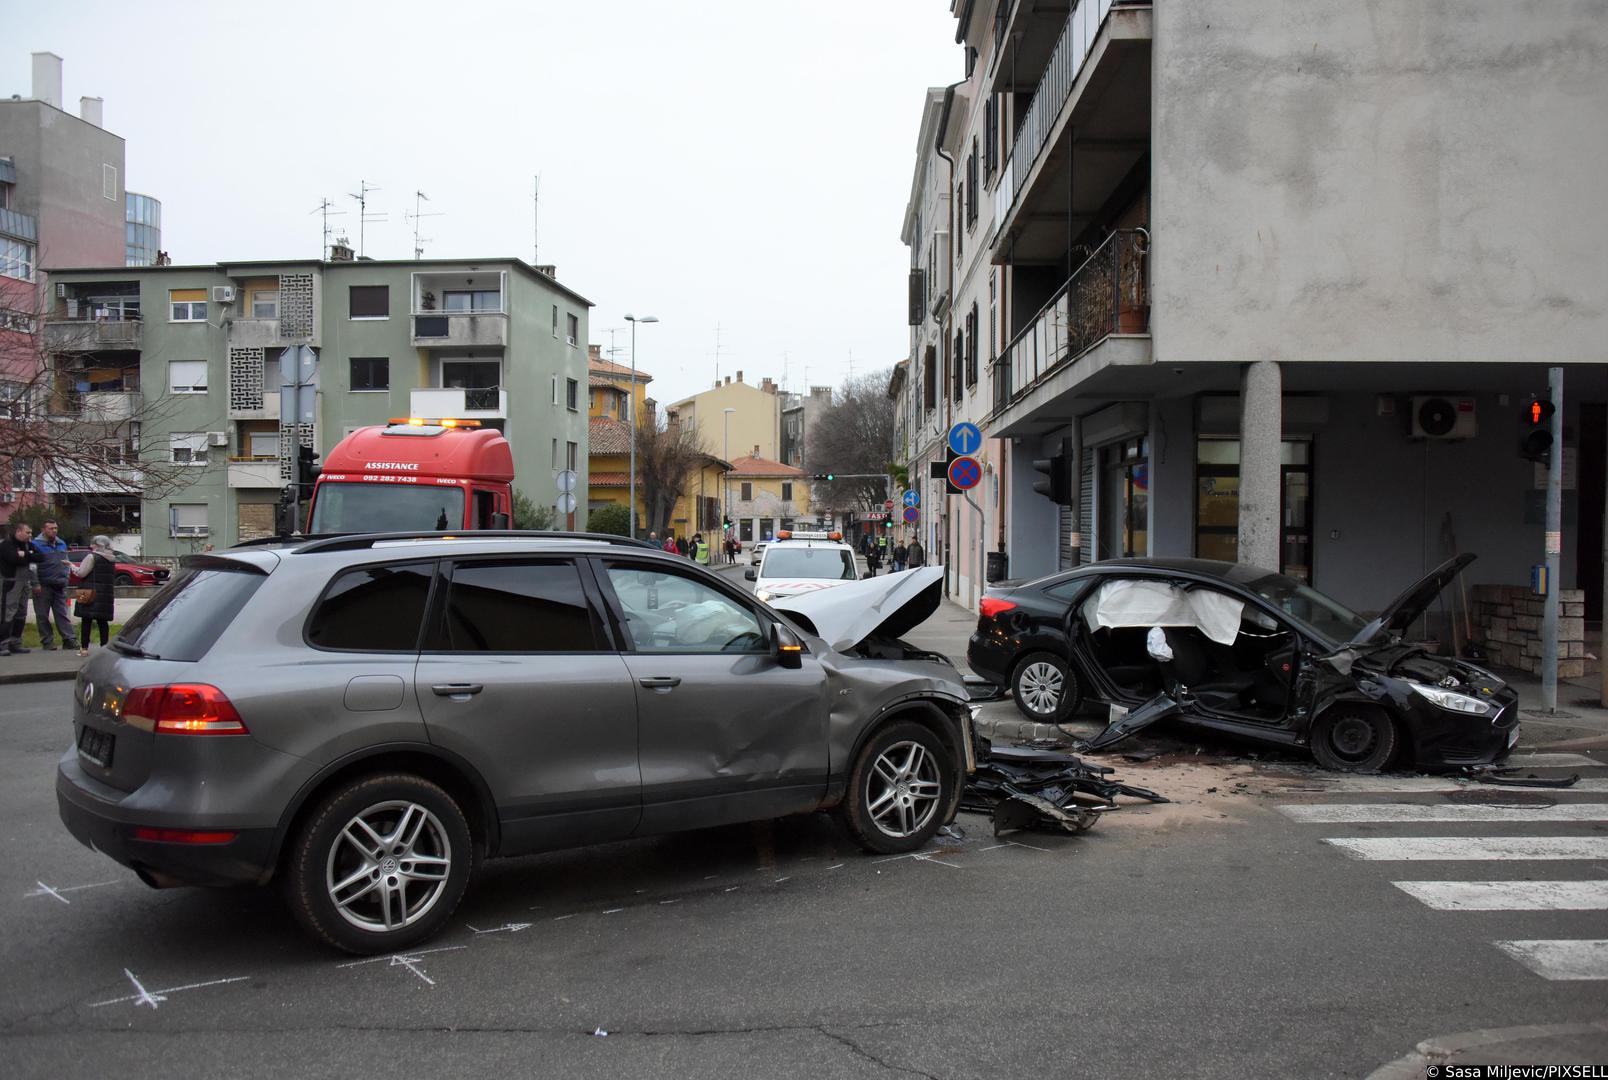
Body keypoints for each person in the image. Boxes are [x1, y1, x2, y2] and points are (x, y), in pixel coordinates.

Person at [30, 518, 79, 652]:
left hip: (59, 584)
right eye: (51, 528)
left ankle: (69, 639)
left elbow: (66, 561)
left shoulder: (61, 543)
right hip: (43, 585)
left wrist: (66, 577)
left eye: (55, 528)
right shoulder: (35, 545)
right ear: (43, 530)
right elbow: (32, 566)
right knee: (42, 615)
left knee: (62, 613)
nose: (54, 531)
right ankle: (47, 641)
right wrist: (35, 583)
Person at [72, 535, 117, 657]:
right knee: (103, 621)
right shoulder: (112, 558)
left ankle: (84, 648)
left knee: (86, 620)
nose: (91, 546)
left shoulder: (92, 557)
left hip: (90, 592)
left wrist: (71, 567)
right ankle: (104, 648)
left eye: (93, 544)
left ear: (97, 545)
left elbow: (81, 573)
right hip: (105, 594)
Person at [1, 522, 42, 655]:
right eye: (28, 532)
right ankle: (3, 644)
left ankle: (15, 643)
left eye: (31, 533)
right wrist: (27, 556)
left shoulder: (27, 545)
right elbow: (13, 559)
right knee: (8, 613)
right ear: (18, 531)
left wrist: (24, 554)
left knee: (21, 613)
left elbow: (40, 556)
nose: (30, 535)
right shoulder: (6, 544)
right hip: (10, 582)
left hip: (25, 582)